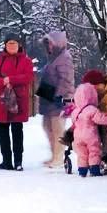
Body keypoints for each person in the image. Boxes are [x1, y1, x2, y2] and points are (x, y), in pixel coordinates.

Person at [0, 37, 34, 170]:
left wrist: (11, 79)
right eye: (9, 43)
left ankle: (18, 161)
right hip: (0, 100)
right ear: (5, 45)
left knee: (17, 131)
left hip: (18, 100)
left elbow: (28, 77)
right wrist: (2, 82)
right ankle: (6, 161)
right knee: (2, 132)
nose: (12, 46)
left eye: (14, 43)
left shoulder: (26, 61)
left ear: (19, 45)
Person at [38, 30, 75, 169]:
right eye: (47, 44)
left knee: (58, 129)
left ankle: (59, 157)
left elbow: (66, 80)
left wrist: (58, 97)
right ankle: (54, 154)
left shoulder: (64, 57)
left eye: (51, 43)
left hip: (59, 99)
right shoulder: (53, 58)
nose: (49, 46)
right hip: (50, 98)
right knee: (47, 126)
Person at [66, 80, 106, 178]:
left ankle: (82, 171)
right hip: (90, 135)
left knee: (82, 154)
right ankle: (94, 169)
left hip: (78, 136)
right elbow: (100, 119)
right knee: (94, 151)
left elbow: (74, 123)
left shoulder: (75, 111)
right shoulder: (92, 109)